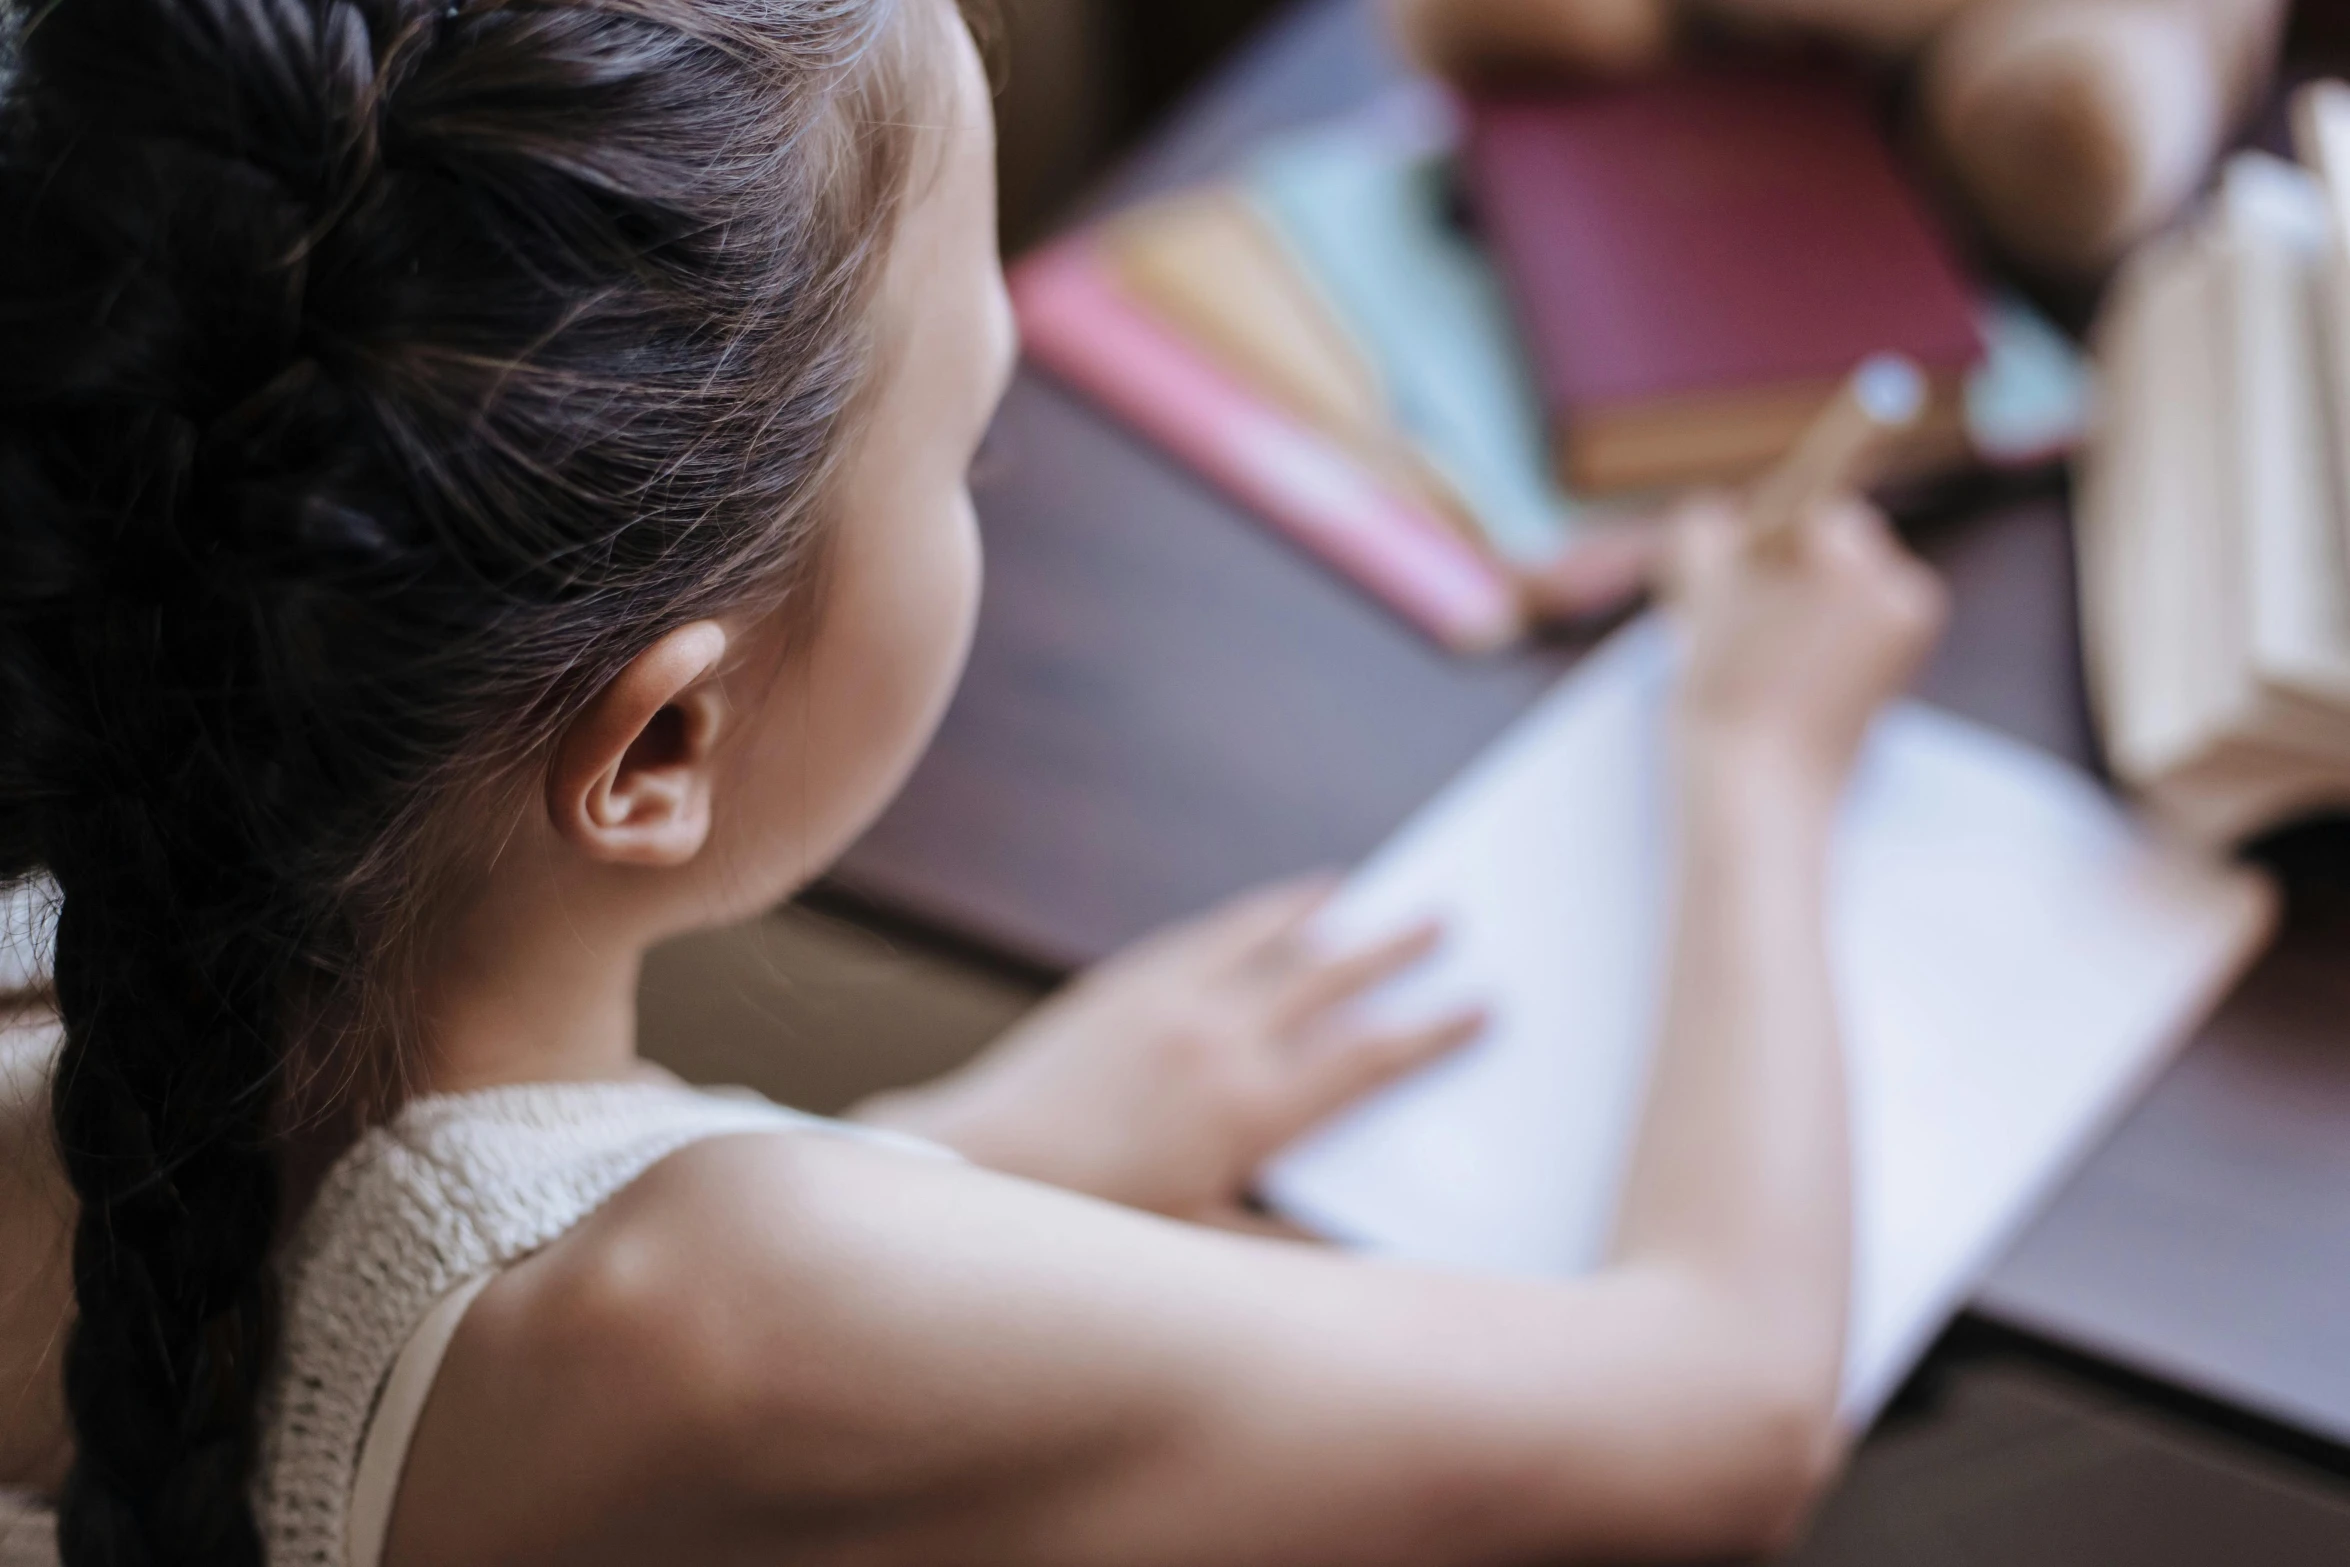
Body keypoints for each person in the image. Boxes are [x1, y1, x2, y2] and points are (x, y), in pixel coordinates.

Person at [0, 0, 1946, 1562]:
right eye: (970, 440)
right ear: (661, 742)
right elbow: (1720, 1417)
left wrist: (978, 1144)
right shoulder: (729, 1314)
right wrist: (1751, 755)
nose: (979, 481)